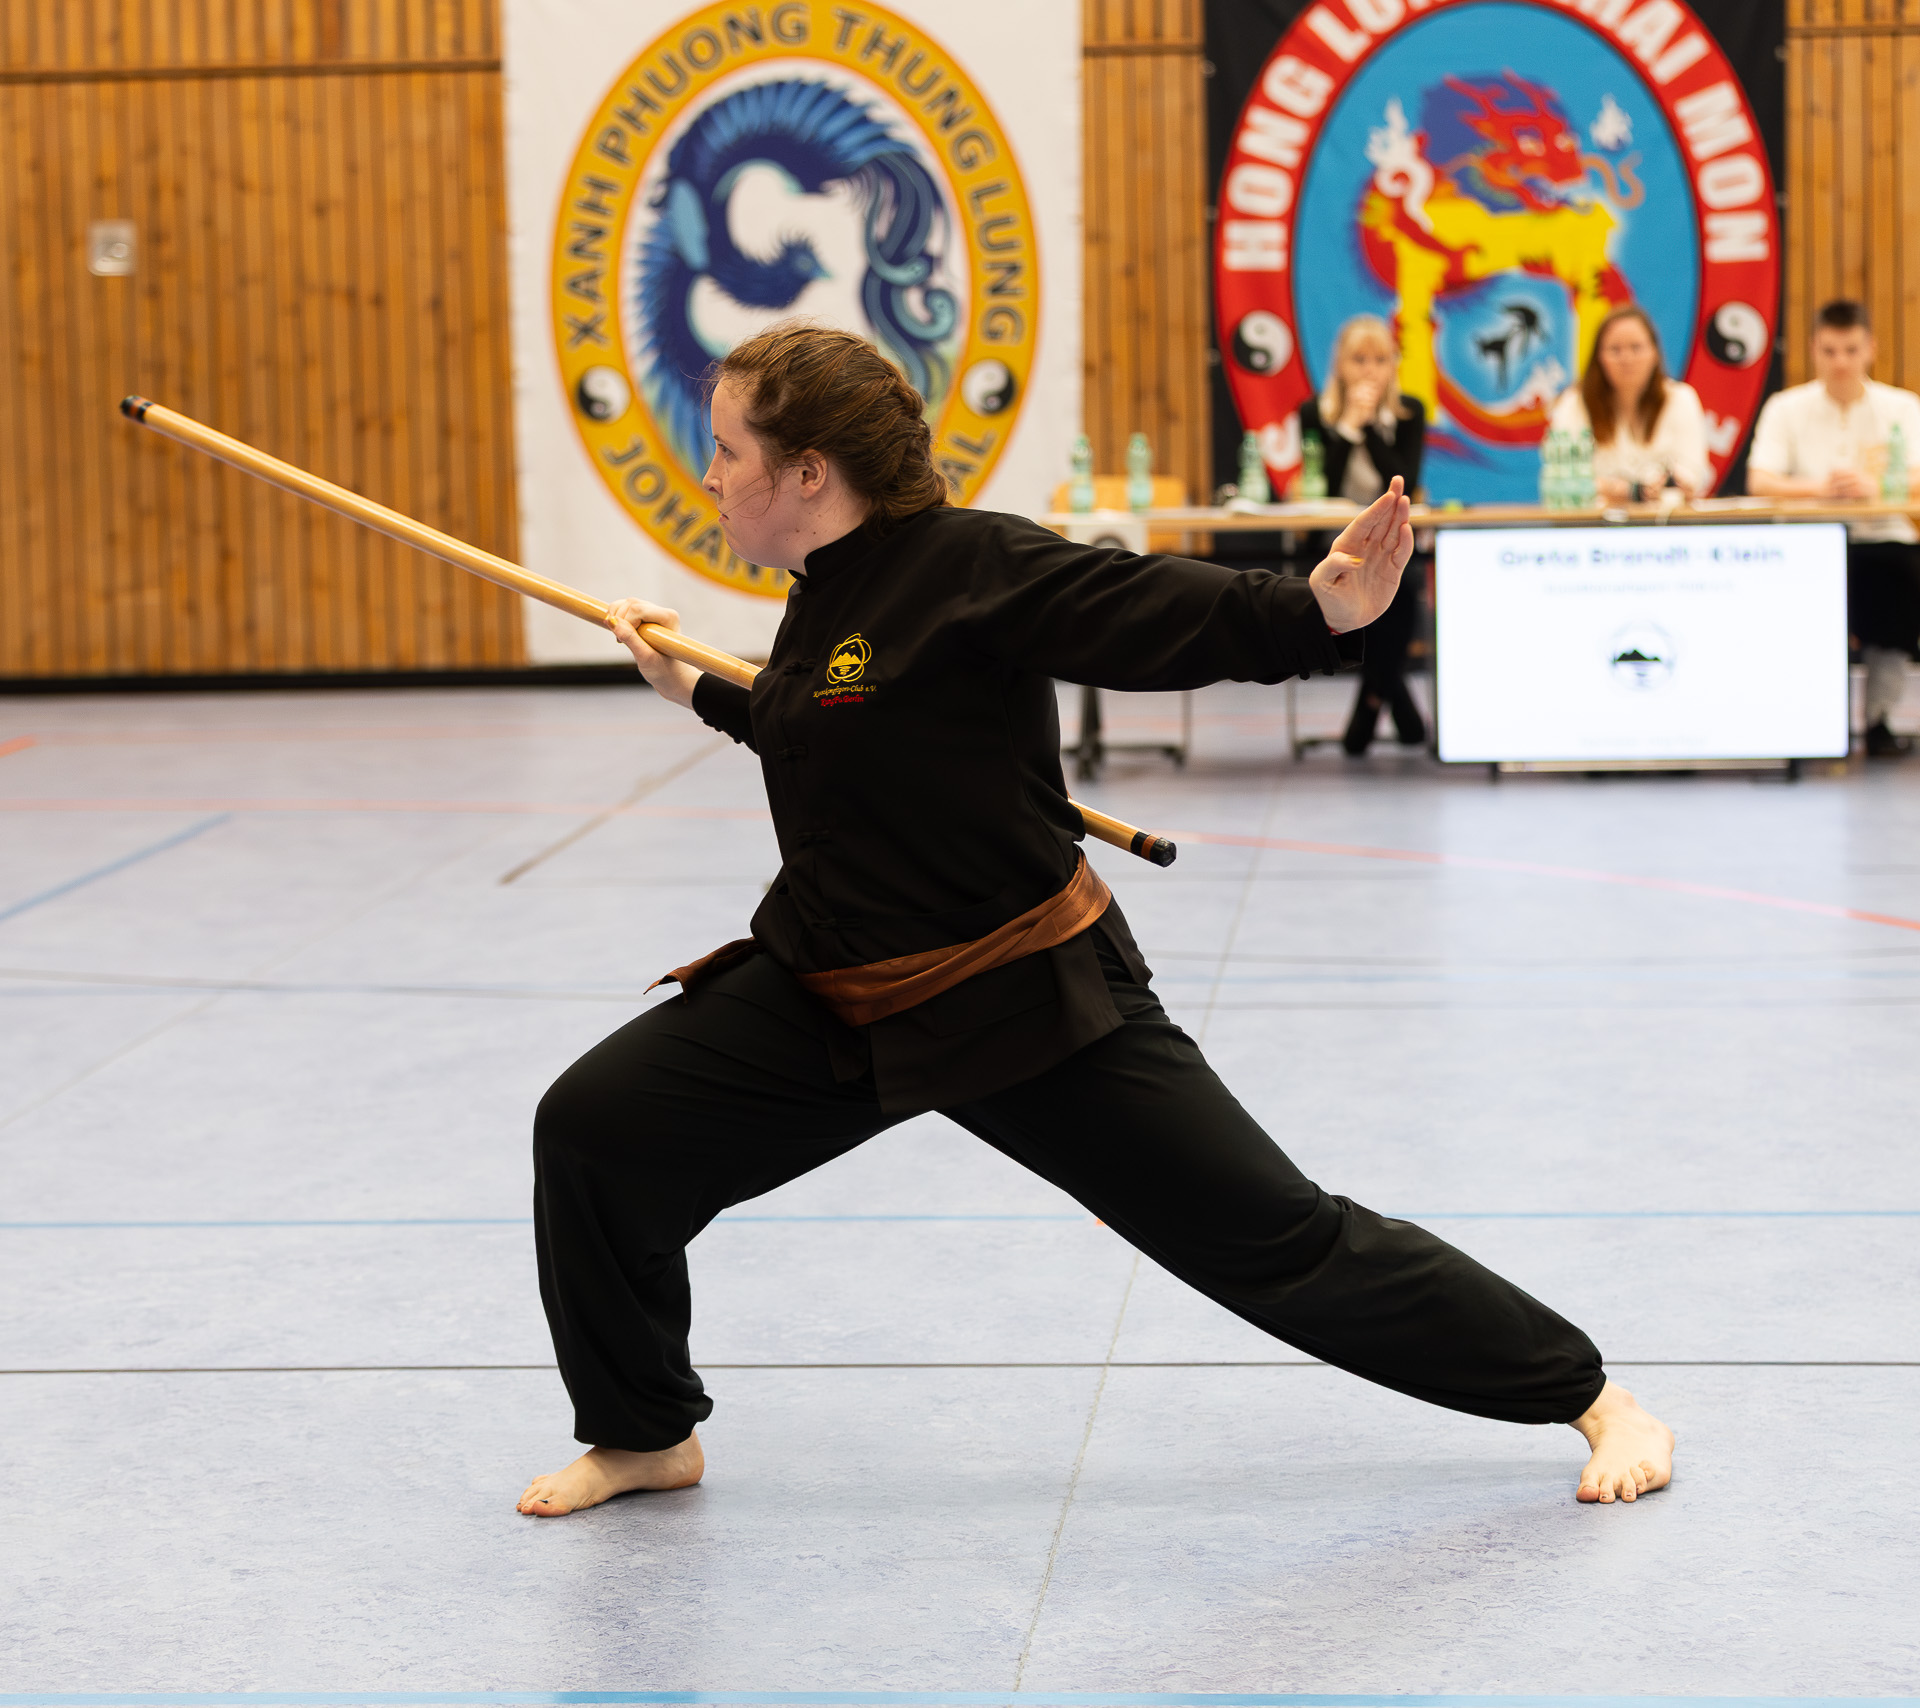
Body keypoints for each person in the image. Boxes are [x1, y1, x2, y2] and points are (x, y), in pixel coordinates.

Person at [516, 321, 1674, 1518]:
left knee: (1277, 1240)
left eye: (727, 450)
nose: (710, 475)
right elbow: (814, 718)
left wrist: (1312, 612)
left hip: (1021, 996)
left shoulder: (971, 565)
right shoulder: (826, 589)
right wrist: (692, 683)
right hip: (836, 987)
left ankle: (1592, 1394)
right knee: (596, 1130)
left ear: (808, 470)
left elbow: (1136, 605)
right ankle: (644, 1430)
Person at [1747, 299, 1920, 757]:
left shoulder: (1902, 408)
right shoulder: (1786, 408)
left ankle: (1879, 719)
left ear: (1871, 349)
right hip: (1808, 541)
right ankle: (1810, 719)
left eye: (1850, 350)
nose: (1840, 362)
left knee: (1900, 585)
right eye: (1829, 351)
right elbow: (1760, 480)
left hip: (1882, 539)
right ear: (1813, 350)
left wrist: (1875, 486)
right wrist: (1821, 490)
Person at [1296, 315, 1429, 754]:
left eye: (1380, 360)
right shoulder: (1314, 413)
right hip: (1333, 540)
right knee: (1351, 595)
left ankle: (1371, 701)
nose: (1370, 370)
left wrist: (1369, 427)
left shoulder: (1410, 412)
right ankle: (1394, 702)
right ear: (1340, 365)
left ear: (1393, 365)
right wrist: (1347, 428)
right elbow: (1323, 485)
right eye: (1359, 360)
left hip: (1388, 536)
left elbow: (1404, 480)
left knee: (1403, 588)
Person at [1549, 304, 1710, 502]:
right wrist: (1628, 490)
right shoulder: (1574, 403)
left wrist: (1673, 483)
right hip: (1597, 519)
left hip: (1663, 517)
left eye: (1636, 348)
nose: (1626, 359)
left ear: (1655, 352)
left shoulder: (1680, 398)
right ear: (1599, 357)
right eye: (1615, 350)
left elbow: (1694, 474)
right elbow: (1562, 480)